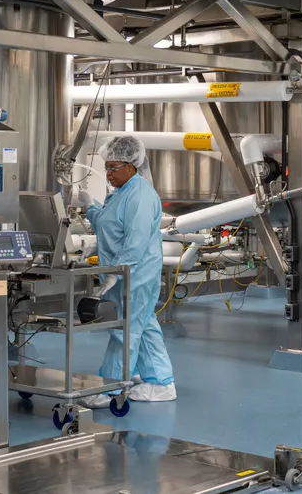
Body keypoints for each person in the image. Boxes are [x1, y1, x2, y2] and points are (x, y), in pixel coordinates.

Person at [75, 136, 176, 406]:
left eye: (113, 168)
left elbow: (135, 242)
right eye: (106, 168)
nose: (108, 174)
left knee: (126, 328)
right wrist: (90, 207)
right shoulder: (121, 193)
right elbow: (110, 224)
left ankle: (110, 388)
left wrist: (115, 272)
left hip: (136, 273)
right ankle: (160, 380)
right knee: (142, 324)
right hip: (122, 274)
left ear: (131, 165)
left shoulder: (140, 195)